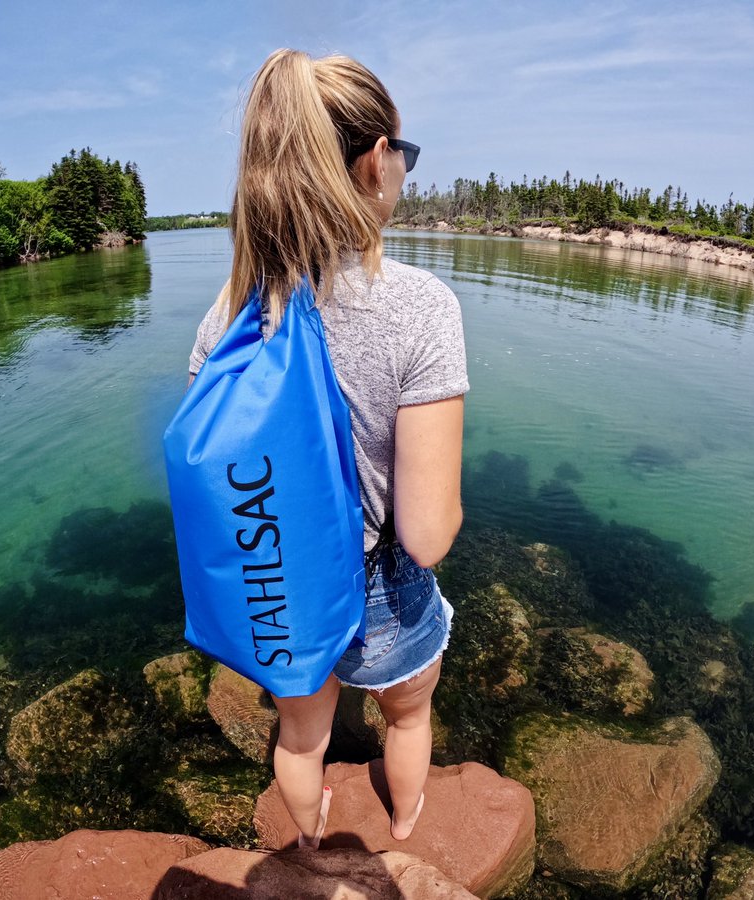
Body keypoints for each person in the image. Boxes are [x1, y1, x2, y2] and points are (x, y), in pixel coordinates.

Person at [185, 49, 467, 849]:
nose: (404, 171)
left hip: (280, 581)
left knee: (301, 735)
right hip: (386, 588)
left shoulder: (226, 321)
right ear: (376, 160)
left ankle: (306, 851)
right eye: (402, 154)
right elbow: (427, 534)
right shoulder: (421, 308)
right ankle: (406, 831)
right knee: (407, 714)